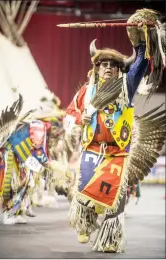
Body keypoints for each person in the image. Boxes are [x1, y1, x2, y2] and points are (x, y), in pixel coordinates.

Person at [64, 9, 165, 253]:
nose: (108, 68)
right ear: (96, 68)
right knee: (84, 189)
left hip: (117, 154)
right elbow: (68, 115)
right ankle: (85, 222)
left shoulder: (126, 85)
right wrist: (81, 117)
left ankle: (109, 238)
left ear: (120, 69)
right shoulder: (86, 91)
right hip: (91, 149)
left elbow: (141, 63)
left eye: (113, 65)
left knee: (115, 199)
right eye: (103, 64)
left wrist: (144, 36)